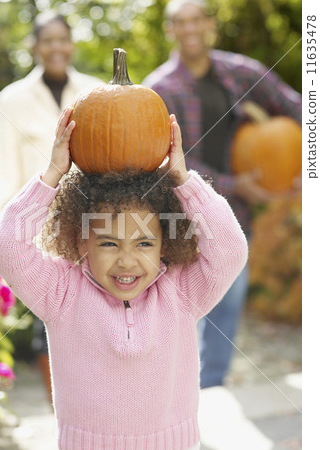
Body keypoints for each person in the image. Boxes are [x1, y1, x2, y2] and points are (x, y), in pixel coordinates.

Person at [0, 106, 248, 449]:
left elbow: (231, 250)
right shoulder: (61, 293)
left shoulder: (182, 292)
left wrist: (184, 181)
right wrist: (52, 175)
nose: (127, 261)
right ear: (82, 240)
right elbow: (8, 247)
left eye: (144, 242)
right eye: (109, 243)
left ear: (164, 243)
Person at [143, 0, 302, 388]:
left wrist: (302, 166)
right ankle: (171, 383)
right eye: (181, 22)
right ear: (171, 31)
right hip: (176, 210)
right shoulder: (159, 89)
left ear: (209, 24)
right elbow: (170, 160)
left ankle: (211, 382)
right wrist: (236, 184)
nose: (190, 28)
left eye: (197, 19)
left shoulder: (239, 72)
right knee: (176, 296)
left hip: (233, 213)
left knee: (231, 293)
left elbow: (295, 106)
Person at [0, 10, 103, 219]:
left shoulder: (97, 93)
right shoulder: (11, 100)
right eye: (48, 41)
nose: (56, 47)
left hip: (89, 222)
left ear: (72, 45)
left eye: (63, 40)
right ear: (35, 47)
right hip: (32, 223)